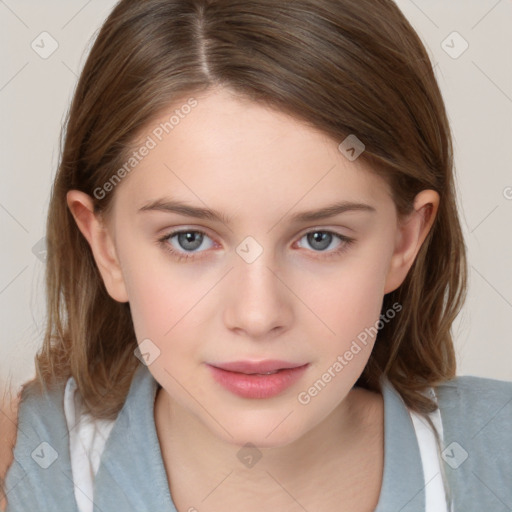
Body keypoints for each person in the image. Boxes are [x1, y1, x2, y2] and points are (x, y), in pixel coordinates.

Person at [1, 0, 511, 511]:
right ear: (105, 247)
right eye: (190, 239)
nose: (257, 315)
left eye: (320, 239)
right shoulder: (22, 469)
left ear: (405, 241)